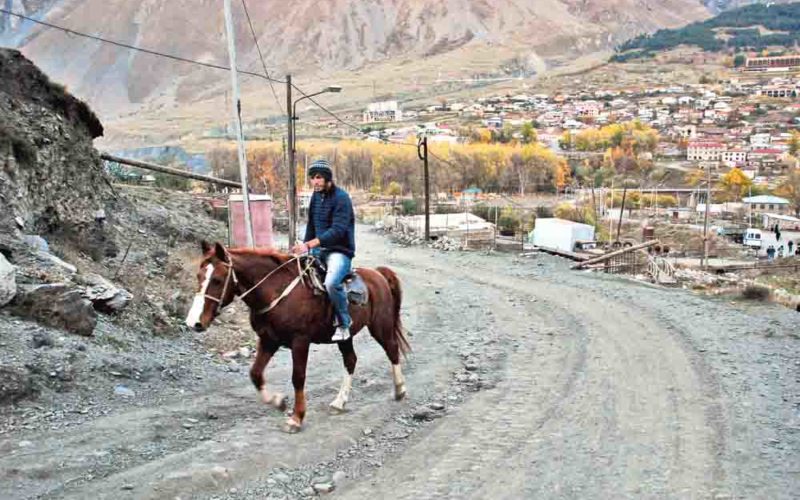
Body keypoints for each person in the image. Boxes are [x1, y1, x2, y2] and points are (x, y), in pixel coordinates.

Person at [291, 158, 356, 342]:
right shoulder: (316, 197)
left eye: (319, 177)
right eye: (312, 178)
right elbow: (312, 225)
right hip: (318, 251)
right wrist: (303, 248)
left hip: (339, 251)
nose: (315, 181)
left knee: (331, 283)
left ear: (328, 178)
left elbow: (338, 230)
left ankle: (344, 323)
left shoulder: (342, 198)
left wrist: (309, 245)